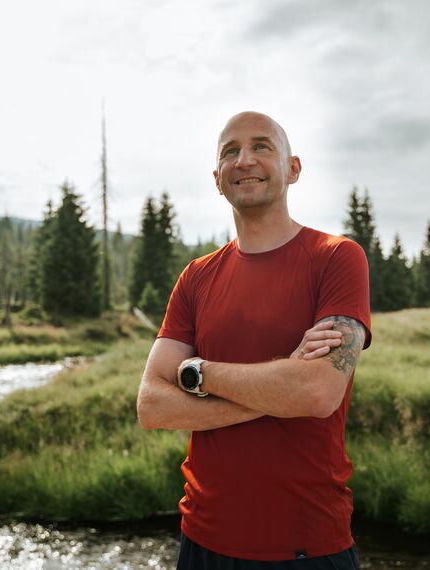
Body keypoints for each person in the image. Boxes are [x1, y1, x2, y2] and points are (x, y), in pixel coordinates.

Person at [137, 111, 371, 569]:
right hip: (201, 540)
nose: (244, 160)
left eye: (262, 146)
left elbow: (317, 392)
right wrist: (280, 388)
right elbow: (152, 406)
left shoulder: (337, 258)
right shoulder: (196, 277)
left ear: (293, 168)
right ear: (217, 179)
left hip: (307, 545)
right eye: (231, 151)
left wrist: (196, 374)